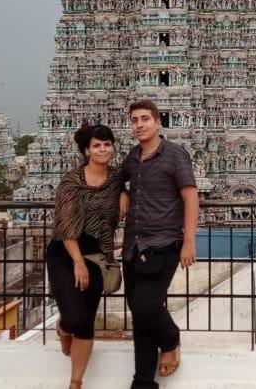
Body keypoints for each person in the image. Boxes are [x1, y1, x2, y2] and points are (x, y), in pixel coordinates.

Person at [121, 100, 199, 388]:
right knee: (138, 314)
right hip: (133, 245)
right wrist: (121, 192)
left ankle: (170, 339)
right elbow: (115, 179)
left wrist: (189, 242)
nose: (139, 125)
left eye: (144, 119)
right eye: (134, 120)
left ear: (157, 122)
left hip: (164, 243)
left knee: (146, 307)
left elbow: (191, 197)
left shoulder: (175, 155)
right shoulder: (132, 157)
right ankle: (142, 381)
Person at [46, 124, 128, 389]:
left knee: (87, 319)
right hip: (66, 251)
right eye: (96, 145)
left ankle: (76, 382)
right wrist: (78, 263)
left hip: (97, 254)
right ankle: (63, 328)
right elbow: (66, 225)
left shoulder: (117, 179)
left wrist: (126, 192)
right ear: (86, 150)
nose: (102, 149)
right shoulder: (71, 181)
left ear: (112, 147)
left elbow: (137, 183)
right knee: (73, 316)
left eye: (106, 144)